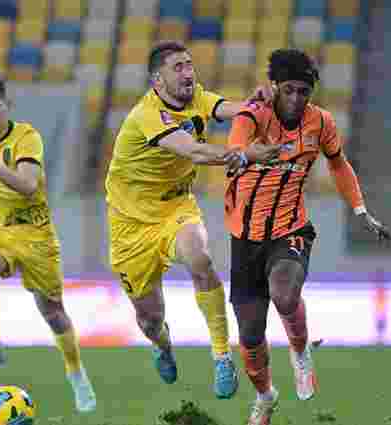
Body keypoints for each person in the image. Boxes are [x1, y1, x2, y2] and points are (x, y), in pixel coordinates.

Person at [103, 41, 281, 399]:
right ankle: (163, 344)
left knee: (199, 257)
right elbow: (196, 151)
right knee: (150, 319)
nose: (188, 73)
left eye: (189, 65)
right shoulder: (146, 115)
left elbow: (232, 109)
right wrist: (246, 155)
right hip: (130, 225)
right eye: (178, 67)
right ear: (158, 80)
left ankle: (222, 356)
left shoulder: (196, 96)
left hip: (176, 208)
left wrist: (260, 104)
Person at [225, 48, 391, 424]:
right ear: (274, 87)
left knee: (285, 294)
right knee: (250, 335)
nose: (297, 99)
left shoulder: (321, 122)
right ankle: (265, 396)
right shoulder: (252, 115)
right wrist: (251, 155)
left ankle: (300, 353)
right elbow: (232, 154)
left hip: (291, 229)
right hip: (245, 239)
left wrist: (360, 210)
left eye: (304, 91)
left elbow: (338, 163)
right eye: (289, 90)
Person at [0, 79, 96, 413]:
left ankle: (76, 373)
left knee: (53, 312)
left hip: (34, 233)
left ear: (8, 106)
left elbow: (29, 186)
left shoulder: (27, 138)